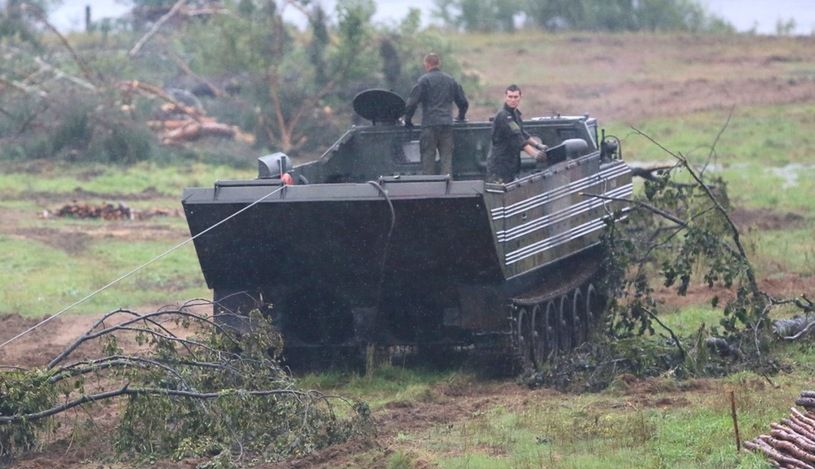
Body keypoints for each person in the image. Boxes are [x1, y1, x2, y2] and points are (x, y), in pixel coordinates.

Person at [403, 53, 469, 176]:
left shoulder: (423, 81)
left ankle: (429, 187)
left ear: (426, 64)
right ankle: (447, 187)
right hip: (446, 125)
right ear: (439, 64)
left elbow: (412, 103)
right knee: (446, 159)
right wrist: (461, 116)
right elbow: (463, 102)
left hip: (429, 125)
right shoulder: (450, 80)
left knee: (428, 158)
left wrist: (408, 120)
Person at [487, 84, 548, 184]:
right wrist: (535, 154)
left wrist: (538, 145)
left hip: (511, 164)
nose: (513, 100)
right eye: (510, 97)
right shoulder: (504, 116)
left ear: (520, 98)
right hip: (500, 166)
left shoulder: (514, 114)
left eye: (515, 97)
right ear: (505, 97)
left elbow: (522, 133)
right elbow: (518, 140)